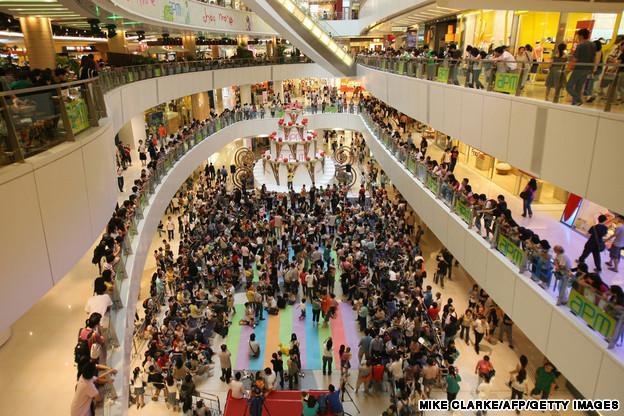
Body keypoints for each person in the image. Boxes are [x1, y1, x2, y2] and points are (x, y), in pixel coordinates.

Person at [566, 28, 596, 105]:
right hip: (588, 69)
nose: (577, 37)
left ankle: (578, 100)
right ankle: (575, 103)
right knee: (578, 88)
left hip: (579, 69)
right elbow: (594, 58)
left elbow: (575, 59)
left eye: (578, 36)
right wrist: (592, 69)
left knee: (569, 86)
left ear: (581, 36)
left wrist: (569, 69)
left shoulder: (580, 45)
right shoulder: (593, 45)